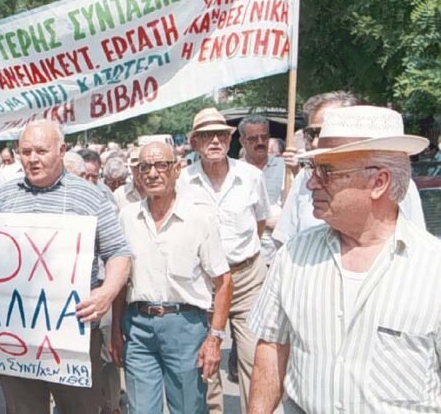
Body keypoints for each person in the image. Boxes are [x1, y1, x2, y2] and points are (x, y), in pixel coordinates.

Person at [248, 106, 441, 413]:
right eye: (313, 171)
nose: (311, 183)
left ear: (378, 183)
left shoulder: (433, 270)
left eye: (327, 172)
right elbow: (272, 346)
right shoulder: (294, 256)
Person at [0, 120, 133, 414]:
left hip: (73, 333)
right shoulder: (5, 196)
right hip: (15, 336)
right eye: (25, 151)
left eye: (41, 150)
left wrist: (106, 292)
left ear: (62, 150)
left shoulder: (92, 195)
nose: (32, 158)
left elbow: (119, 252)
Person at [113, 142, 233, 414]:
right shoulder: (127, 217)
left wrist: (214, 338)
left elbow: (223, 281)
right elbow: (120, 280)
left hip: (186, 327)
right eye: (144, 167)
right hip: (138, 326)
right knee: (141, 410)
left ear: (176, 169)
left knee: (188, 409)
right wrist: (115, 331)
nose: (152, 173)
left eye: (161, 165)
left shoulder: (198, 217)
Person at [179, 107, 269, 414]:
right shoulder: (181, 182)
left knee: (254, 357)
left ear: (231, 140)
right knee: (206, 359)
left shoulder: (252, 177)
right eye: (206, 135)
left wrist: (238, 259)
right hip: (204, 283)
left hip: (246, 277)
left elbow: (259, 224)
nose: (215, 140)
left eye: (221, 134)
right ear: (195, 143)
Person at [274, 91, 426, 244]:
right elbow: (285, 238)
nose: (315, 142)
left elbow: (416, 245)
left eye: (328, 172)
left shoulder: (401, 186)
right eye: (310, 133)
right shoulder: (304, 178)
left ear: (379, 183)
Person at [238, 115, 286, 264]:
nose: (260, 143)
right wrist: (265, 221)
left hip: (279, 254)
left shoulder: (285, 167)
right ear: (242, 141)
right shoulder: (235, 172)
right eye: (253, 139)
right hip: (249, 258)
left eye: (264, 137)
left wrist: (296, 170)